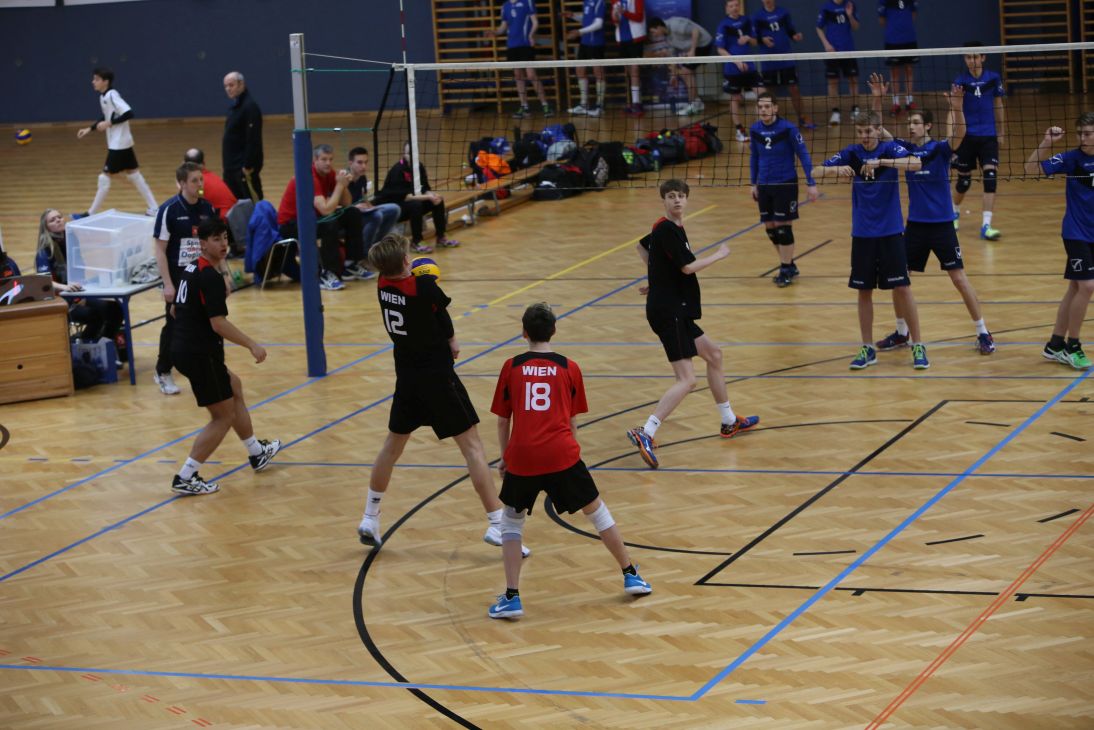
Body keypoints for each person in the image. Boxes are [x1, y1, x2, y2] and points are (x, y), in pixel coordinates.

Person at [356, 234, 530, 557]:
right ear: (405, 261)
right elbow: (441, 313)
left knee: (391, 447)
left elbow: (414, 289)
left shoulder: (382, 285)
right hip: (438, 378)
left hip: (407, 378)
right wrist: (451, 339)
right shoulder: (424, 287)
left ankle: (370, 516)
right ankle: (496, 522)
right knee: (473, 448)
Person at [486, 302, 652, 619]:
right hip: (562, 454)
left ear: (524, 333)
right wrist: (570, 454)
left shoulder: (511, 366)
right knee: (597, 512)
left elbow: (502, 420)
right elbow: (572, 420)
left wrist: (506, 456)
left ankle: (512, 597)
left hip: (522, 455)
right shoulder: (569, 367)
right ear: (554, 331)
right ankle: (631, 574)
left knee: (511, 522)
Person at [626, 180, 759, 470]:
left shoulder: (668, 227)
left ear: (687, 200)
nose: (676, 200)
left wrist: (657, 279)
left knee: (714, 354)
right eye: (671, 196)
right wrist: (718, 255)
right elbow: (687, 267)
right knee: (687, 380)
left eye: (681, 196)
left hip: (675, 308)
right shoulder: (667, 229)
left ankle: (728, 420)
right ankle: (646, 431)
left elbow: (642, 247)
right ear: (664, 200)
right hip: (669, 311)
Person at [868, 74, 995, 355]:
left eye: (916, 122)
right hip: (915, 226)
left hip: (942, 226)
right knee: (899, 279)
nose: (911, 126)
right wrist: (878, 98)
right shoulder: (903, 150)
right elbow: (877, 130)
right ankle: (902, 333)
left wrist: (957, 106)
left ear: (927, 125)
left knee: (959, 279)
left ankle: (983, 331)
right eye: (909, 123)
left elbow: (959, 134)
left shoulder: (939, 149)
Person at [169, 218, 280, 495]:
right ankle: (186, 476)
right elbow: (218, 324)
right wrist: (252, 344)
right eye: (216, 239)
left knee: (234, 386)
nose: (223, 244)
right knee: (222, 417)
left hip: (183, 348)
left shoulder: (190, 268)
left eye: (225, 238)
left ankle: (256, 451)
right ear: (203, 244)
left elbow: (174, 310)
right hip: (200, 354)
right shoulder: (210, 277)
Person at [812, 110, 928, 371]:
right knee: (864, 291)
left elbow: (917, 163)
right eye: (860, 132)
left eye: (868, 131)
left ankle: (918, 344)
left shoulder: (890, 149)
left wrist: (882, 162)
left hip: (891, 231)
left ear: (878, 130)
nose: (864, 136)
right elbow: (814, 170)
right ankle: (868, 348)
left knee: (903, 288)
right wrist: (836, 169)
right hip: (863, 233)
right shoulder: (852, 153)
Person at [1024, 115, 1094, 370]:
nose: (1083, 138)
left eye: (1088, 133)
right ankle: (1072, 346)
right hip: (1076, 233)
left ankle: (1055, 344)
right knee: (1087, 286)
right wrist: (1046, 142)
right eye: (1080, 133)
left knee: (1076, 288)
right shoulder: (1071, 159)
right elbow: (1031, 169)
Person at [152, 162, 218, 395]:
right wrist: (168, 284)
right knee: (175, 325)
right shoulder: (169, 210)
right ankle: (163, 371)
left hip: (202, 276)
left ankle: (209, 367)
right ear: (181, 183)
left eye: (201, 179)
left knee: (209, 321)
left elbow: (215, 245)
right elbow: (160, 250)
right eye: (194, 180)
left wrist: (223, 276)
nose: (199, 184)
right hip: (178, 279)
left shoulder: (208, 208)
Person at [276, 143, 368, 291]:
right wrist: (339, 186)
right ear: (315, 160)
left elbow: (347, 203)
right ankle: (327, 273)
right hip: (291, 225)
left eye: (330, 159)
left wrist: (343, 185)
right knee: (329, 224)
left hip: (312, 219)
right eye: (324, 159)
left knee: (353, 213)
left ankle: (350, 264)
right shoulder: (310, 177)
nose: (328, 163)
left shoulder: (329, 173)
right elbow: (325, 210)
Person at [750, 93, 818, 287]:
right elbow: (754, 157)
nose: (763, 110)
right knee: (770, 228)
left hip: (785, 183)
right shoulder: (755, 129)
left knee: (782, 226)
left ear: (775, 108)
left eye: (767, 106)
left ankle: (785, 269)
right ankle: (789, 264)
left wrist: (811, 183)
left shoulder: (788, 128)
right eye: (760, 107)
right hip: (764, 184)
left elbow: (803, 154)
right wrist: (753, 183)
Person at [75, 67, 159, 218]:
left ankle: (90, 213)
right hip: (122, 142)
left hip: (118, 144)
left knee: (104, 177)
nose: (93, 82)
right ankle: (154, 208)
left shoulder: (112, 95)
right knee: (134, 175)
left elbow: (129, 113)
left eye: (96, 79)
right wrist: (90, 128)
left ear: (105, 82)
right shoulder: (103, 97)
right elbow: (107, 116)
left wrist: (109, 124)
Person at [35, 208, 124, 347]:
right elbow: (43, 281)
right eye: (52, 220)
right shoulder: (44, 250)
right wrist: (66, 288)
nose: (58, 220)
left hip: (77, 294)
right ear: (46, 227)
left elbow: (79, 269)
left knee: (116, 309)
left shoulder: (71, 240)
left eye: (59, 217)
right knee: (94, 315)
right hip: (61, 300)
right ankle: (85, 347)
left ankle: (104, 345)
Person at [951, 42, 1006, 241]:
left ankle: (986, 225)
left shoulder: (993, 78)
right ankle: (954, 213)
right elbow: (954, 111)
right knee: (964, 182)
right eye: (968, 57)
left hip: (988, 136)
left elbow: (998, 104)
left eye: (975, 56)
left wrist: (1001, 131)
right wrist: (954, 140)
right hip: (967, 137)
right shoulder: (960, 81)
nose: (971, 60)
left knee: (990, 178)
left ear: (983, 57)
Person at [374, 142, 460, 254]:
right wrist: (428, 196)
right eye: (409, 153)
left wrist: (433, 195)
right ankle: (416, 242)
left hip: (410, 203)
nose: (412, 155)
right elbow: (406, 197)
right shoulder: (397, 170)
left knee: (438, 201)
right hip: (395, 207)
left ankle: (441, 237)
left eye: (414, 152)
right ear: (404, 154)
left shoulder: (419, 166)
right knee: (416, 205)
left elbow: (425, 188)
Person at [753, 0, 814, 130]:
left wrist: (795, 36)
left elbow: (790, 30)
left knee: (794, 88)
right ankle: (771, 120)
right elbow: (754, 38)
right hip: (768, 59)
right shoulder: (757, 16)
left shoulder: (783, 12)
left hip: (786, 58)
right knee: (770, 91)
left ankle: (802, 118)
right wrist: (762, 40)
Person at [488, 0, 552, 119]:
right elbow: (503, 26)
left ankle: (545, 105)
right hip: (512, 46)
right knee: (518, 76)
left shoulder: (528, 2)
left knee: (531, 75)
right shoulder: (505, 6)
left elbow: (535, 22)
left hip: (525, 45)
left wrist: (531, 35)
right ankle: (524, 106)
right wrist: (495, 32)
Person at [346, 146, 401, 270]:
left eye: (366, 162)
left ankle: (376, 249)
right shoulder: (344, 180)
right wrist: (355, 207)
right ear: (350, 163)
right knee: (376, 216)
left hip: (362, 211)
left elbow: (363, 197)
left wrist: (369, 206)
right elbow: (339, 207)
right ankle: (364, 256)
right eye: (360, 162)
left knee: (394, 209)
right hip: (350, 216)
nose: (364, 166)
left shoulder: (362, 177)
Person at [646, 16, 713, 117]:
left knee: (686, 71)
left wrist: (692, 51)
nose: (653, 35)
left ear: (658, 27)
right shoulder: (668, 38)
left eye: (653, 32)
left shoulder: (675, 24)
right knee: (685, 73)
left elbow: (695, 31)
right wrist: (673, 75)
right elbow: (673, 56)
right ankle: (696, 103)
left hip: (703, 44)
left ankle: (694, 104)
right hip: (693, 48)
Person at [716, 0, 762, 143]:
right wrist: (737, 62)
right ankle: (739, 130)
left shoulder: (747, 21)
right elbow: (720, 49)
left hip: (749, 67)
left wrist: (748, 38)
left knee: (763, 94)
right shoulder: (723, 25)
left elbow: (755, 42)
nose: (734, 8)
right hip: (733, 69)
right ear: (727, 8)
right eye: (731, 6)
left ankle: (764, 126)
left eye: (736, 5)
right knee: (735, 98)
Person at [816, 0, 860, 126]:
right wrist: (826, 45)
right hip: (832, 52)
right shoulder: (826, 7)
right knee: (832, 82)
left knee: (853, 80)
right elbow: (818, 28)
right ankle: (835, 113)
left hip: (848, 50)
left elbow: (856, 27)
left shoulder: (850, 4)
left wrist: (850, 15)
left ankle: (855, 110)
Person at [222, 71, 264, 200]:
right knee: (236, 203)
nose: (228, 89)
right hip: (231, 167)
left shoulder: (250, 107)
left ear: (241, 84)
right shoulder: (236, 107)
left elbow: (253, 139)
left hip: (243, 168)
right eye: (226, 86)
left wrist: (248, 165)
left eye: (231, 85)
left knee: (252, 202)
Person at [566, 0, 608, 117]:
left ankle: (600, 106)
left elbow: (598, 24)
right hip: (585, 42)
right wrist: (574, 16)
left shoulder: (600, 2)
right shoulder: (586, 1)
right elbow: (587, 19)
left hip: (596, 43)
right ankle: (583, 104)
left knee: (598, 72)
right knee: (579, 70)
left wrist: (579, 31)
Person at [877, 0, 918, 115]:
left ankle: (909, 102)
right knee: (894, 72)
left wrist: (904, 26)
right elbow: (881, 21)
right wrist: (895, 26)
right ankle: (896, 104)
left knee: (909, 70)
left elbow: (913, 14)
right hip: (892, 40)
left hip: (909, 38)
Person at [610, 0, 648, 117]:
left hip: (635, 38)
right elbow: (615, 21)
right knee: (629, 72)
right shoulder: (615, 1)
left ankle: (637, 103)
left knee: (635, 70)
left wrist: (624, 12)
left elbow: (639, 17)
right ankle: (633, 103)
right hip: (622, 39)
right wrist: (615, 16)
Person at [184, 148, 237, 222]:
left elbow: (192, 204)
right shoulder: (211, 176)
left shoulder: (197, 183)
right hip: (235, 215)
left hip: (224, 220)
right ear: (204, 163)